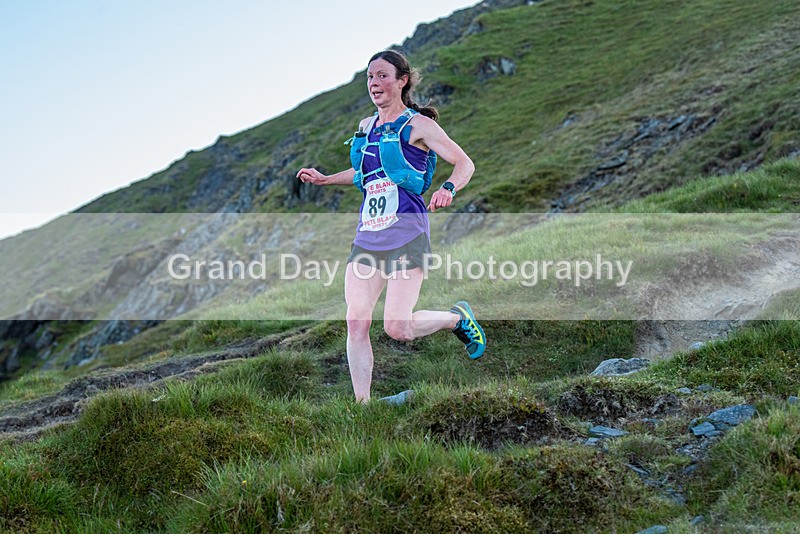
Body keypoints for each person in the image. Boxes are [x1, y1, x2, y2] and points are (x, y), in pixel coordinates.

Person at [296, 49, 485, 403]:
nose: (374, 83)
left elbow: (464, 163)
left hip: (406, 234)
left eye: (383, 75)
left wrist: (448, 188)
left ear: (402, 81)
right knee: (356, 321)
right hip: (368, 236)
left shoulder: (419, 125)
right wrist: (324, 180)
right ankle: (362, 407)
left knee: (398, 327)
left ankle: (456, 319)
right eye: (370, 77)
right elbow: (364, 173)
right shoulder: (367, 128)